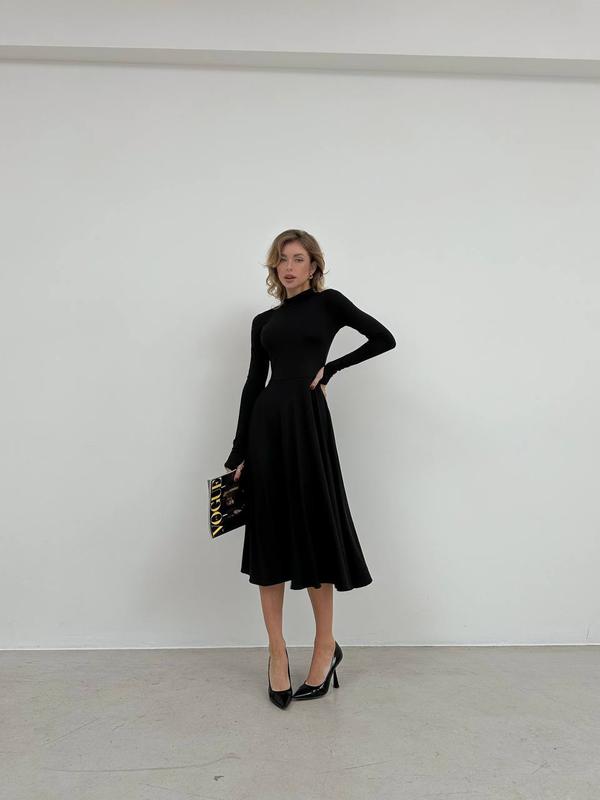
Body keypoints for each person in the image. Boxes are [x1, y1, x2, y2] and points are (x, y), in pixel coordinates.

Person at [223, 229, 396, 708]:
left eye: (298, 258)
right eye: (281, 259)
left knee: (314, 530)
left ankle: (325, 648)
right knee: (269, 538)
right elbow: (253, 382)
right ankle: (276, 653)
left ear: (314, 265)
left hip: (307, 424)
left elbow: (384, 339)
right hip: (267, 427)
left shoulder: (329, 303)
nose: (288, 267)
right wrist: (239, 452)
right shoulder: (263, 321)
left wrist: (332, 368)